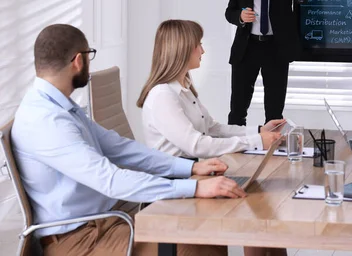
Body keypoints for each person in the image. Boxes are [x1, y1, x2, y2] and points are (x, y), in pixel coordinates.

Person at [12, 24, 246, 256]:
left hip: (105, 222)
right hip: (80, 240)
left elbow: (121, 148)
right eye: (89, 55)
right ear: (78, 61)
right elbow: (111, 180)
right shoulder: (46, 121)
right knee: (194, 246)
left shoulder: (61, 108)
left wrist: (191, 167)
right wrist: (194, 187)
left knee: (206, 234)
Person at [138, 20, 285, 159]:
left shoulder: (184, 88)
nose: (202, 51)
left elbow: (214, 129)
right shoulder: (163, 96)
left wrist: (260, 131)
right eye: (198, 44)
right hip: (175, 178)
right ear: (183, 49)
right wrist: (257, 141)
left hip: (194, 171)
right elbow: (196, 145)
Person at [225, 0, 311, 127]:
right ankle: (235, 149)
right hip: (247, 47)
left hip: (276, 48)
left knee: (274, 111)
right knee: (238, 108)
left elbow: (300, 0)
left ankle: (270, 153)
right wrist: (240, 16)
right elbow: (229, 12)